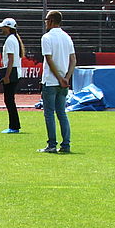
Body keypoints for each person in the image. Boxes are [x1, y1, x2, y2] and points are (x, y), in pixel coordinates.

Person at [39, 9, 76, 153]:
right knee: (62, 113)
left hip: (51, 80)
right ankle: (65, 144)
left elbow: (49, 59)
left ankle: (52, 144)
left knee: (49, 113)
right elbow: (73, 59)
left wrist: (59, 78)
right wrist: (67, 77)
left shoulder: (47, 38)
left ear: (51, 21)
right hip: (63, 82)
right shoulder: (67, 37)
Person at [0, 17, 25, 134]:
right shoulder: (14, 39)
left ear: (8, 28)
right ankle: (14, 125)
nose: (2, 29)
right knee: (10, 100)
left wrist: (7, 76)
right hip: (15, 71)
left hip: (12, 72)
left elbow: (11, 59)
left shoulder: (10, 40)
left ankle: (14, 126)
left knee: (9, 100)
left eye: (3, 27)